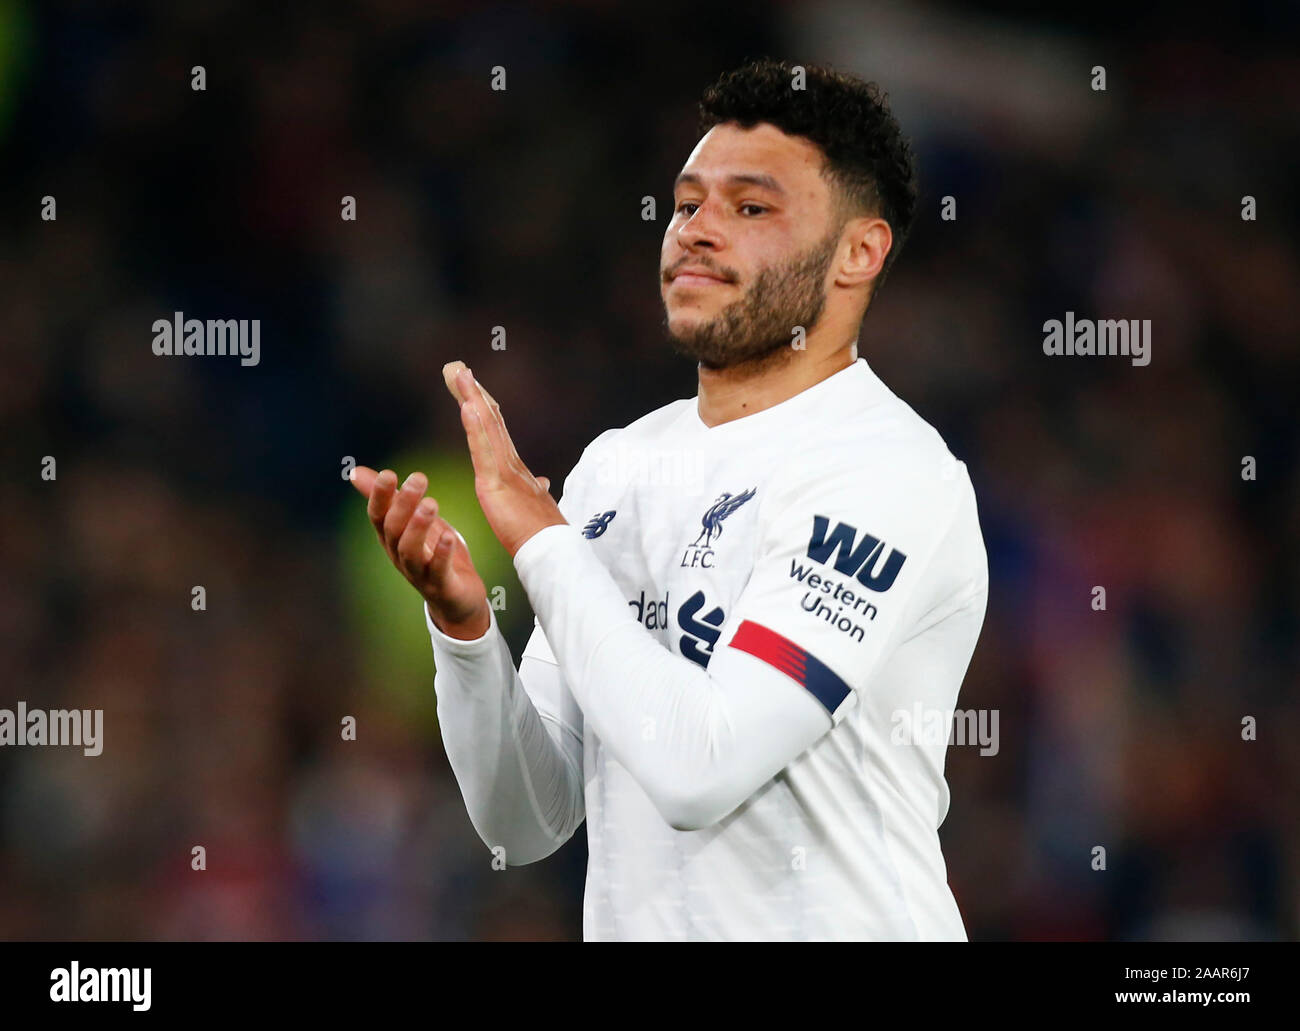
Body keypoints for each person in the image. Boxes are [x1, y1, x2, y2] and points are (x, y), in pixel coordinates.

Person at [350, 58, 988, 941]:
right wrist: (465, 631)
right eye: (688, 204)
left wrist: (545, 544)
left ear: (859, 251)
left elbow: (700, 767)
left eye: (750, 208)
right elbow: (527, 818)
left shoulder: (886, 471)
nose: (696, 230)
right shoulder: (619, 465)